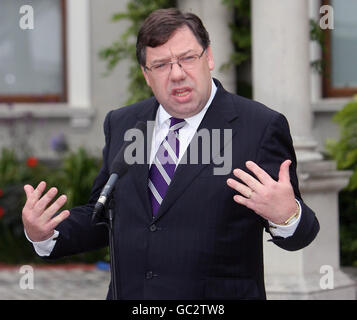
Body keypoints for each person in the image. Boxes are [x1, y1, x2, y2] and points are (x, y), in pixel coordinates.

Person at [22, 8, 319, 300]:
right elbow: (105, 216)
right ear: (146, 75)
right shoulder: (125, 123)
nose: (177, 74)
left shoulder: (259, 127)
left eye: (188, 58)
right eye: (161, 65)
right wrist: (45, 233)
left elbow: (303, 233)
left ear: (209, 57)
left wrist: (287, 216)